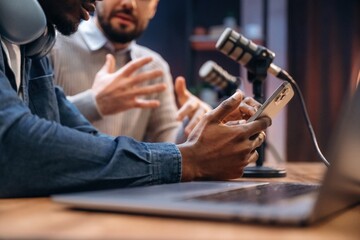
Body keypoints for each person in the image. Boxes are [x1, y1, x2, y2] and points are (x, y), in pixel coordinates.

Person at [0, 0, 271, 198]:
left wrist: (200, 135)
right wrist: (188, 159)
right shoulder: (53, 43)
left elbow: (88, 142)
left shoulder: (32, 48)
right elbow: (16, 147)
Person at [51, 0, 211, 142]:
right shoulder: (53, 45)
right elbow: (31, 123)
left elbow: (166, 141)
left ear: (153, 9)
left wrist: (190, 126)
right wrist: (93, 103)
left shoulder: (154, 67)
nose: (129, 4)